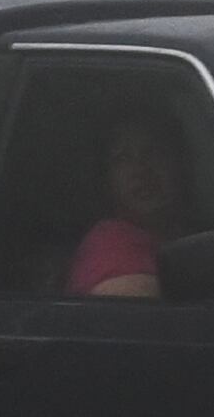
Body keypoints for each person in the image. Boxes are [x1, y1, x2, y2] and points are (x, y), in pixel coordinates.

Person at [64, 115, 189, 298]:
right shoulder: (112, 249)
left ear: (177, 162)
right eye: (122, 158)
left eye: (152, 152)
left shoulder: (174, 236)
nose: (141, 170)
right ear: (106, 180)